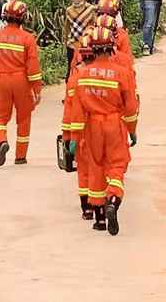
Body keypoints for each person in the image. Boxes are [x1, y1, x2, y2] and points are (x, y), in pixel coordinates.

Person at [67, 27, 138, 235]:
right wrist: (131, 130)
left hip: (92, 127)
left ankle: (99, 220)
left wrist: (74, 138)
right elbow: (131, 107)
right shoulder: (122, 74)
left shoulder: (81, 74)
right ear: (111, 48)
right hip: (114, 124)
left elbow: (77, 111)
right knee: (117, 165)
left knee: (96, 166)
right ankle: (113, 200)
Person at [0, 0, 43, 166]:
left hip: (1, 81)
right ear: (23, 17)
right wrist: (37, 90)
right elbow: (33, 68)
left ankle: (2, 141)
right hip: (21, 81)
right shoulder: (28, 38)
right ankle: (20, 156)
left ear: (4, 16)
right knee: (24, 118)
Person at [61, 32, 95, 220]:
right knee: (101, 168)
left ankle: (87, 208)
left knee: (83, 170)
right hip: (106, 131)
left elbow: (71, 111)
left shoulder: (75, 78)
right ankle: (103, 206)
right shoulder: (114, 73)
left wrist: (69, 137)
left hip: (82, 133)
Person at [62, 0, 96, 81]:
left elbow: (95, 24)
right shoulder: (69, 10)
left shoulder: (91, 9)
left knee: (87, 70)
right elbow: (67, 27)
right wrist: (65, 41)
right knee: (71, 70)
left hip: (87, 46)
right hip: (72, 44)